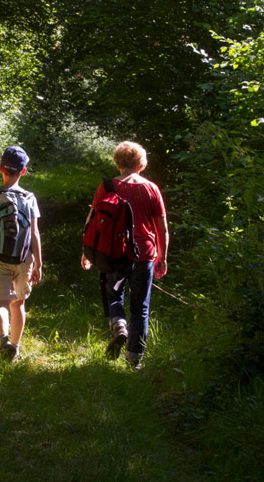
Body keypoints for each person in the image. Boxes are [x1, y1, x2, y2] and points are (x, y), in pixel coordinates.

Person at [81, 141, 168, 370]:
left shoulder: (107, 186)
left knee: (114, 296)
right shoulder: (151, 188)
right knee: (140, 307)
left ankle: (119, 325)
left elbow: (92, 221)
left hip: (113, 253)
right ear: (140, 163)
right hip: (144, 253)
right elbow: (162, 228)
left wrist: (87, 252)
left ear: (118, 162)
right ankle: (134, 360)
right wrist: (162, 257)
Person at [0, 146, 42, 361]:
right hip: (24, 259)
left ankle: (3, 338)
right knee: (19, 303)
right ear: (23, 171)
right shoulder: (29, 197)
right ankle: (15, 346)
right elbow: (34, 233)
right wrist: (38, 264)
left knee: (0, 303)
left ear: (0, 169)